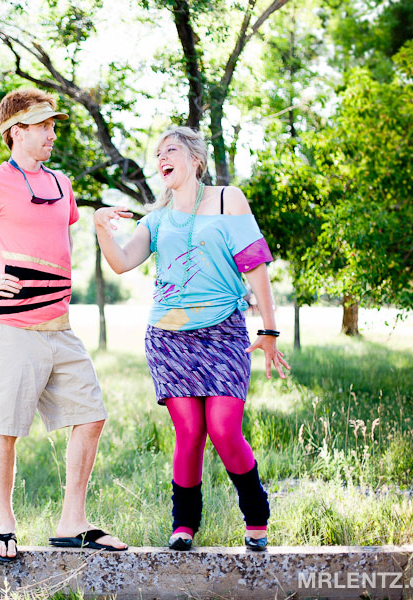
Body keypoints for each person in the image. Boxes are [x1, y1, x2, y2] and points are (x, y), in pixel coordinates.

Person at [0, 88, 127, 563]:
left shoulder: (61, 183)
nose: (52, 135)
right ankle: (4, 525)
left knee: (91, 415)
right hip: (13, 331)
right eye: (44, 127)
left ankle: (72, 523)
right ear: (17, 131)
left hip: (61, 329)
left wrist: (98, 221)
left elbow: (57, 232)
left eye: (53, 126)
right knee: (6, 428)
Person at [93, 126, 290, 552]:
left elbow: (255, 264)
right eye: (158, 153)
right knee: (189, 432)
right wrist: (102, 230)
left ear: (195, 159)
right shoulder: (157, 219)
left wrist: (269, 330)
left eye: (171, 150)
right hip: (168, 336)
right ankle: (184, 523)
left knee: (223, 428)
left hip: (222, 331)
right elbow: (123, 262)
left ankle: (256, 514)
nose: (162, 158)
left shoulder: (226, 199)